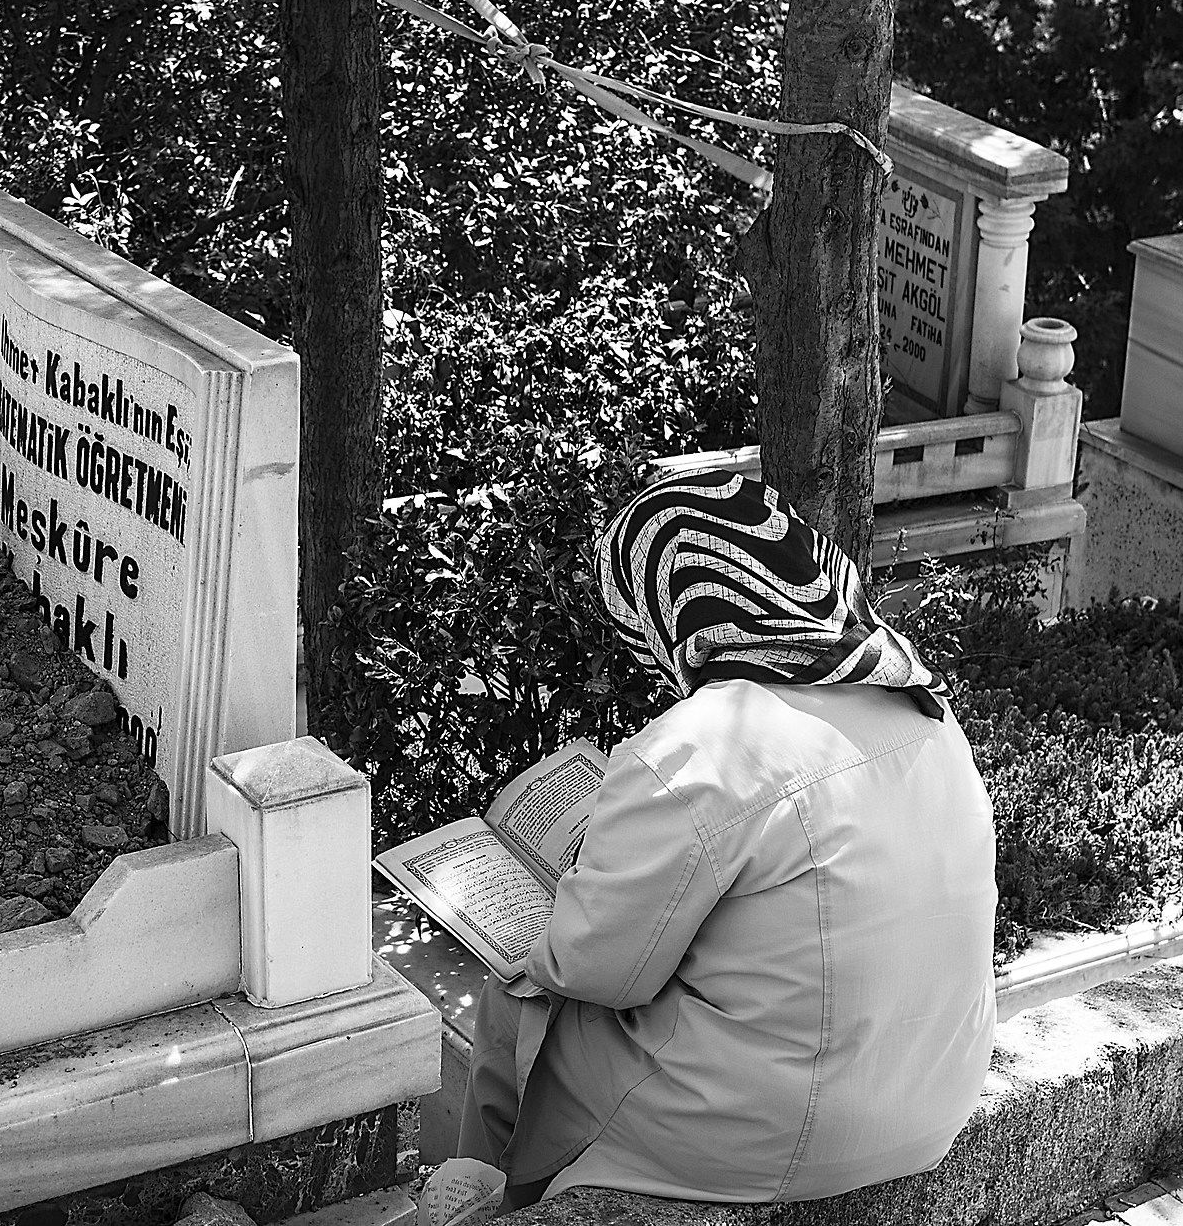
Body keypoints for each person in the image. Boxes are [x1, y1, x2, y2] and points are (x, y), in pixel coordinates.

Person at [422, 467, 998, 1226]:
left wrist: (560, 900)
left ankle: (485, 1198)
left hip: (772, 1131)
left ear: (677, 613)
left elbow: (592, 968)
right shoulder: (922, 708)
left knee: (518, 994)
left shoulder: (698, 746)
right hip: (936, 1097)